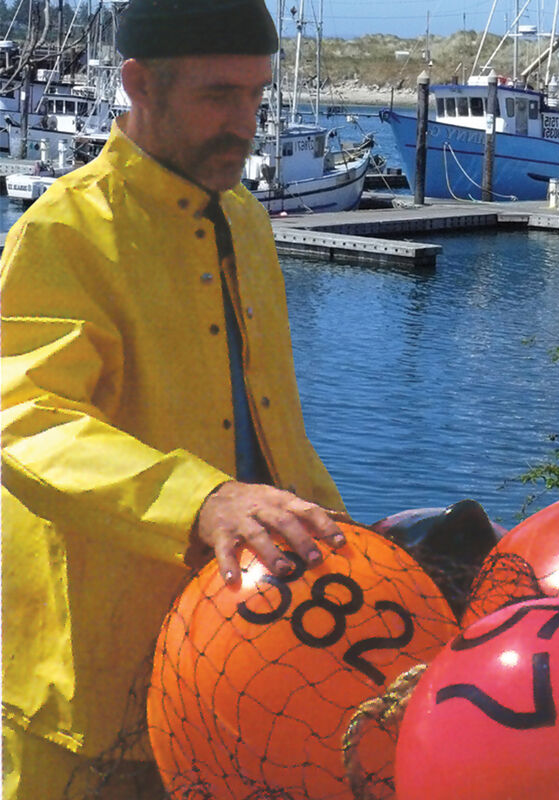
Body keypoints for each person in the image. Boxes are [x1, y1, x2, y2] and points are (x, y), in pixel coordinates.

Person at [1, 1, 350, 796]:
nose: (245, 125)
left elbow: (273, 430)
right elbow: (25, 421)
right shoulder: (64, 231)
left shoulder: (247, 220)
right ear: (139, 85)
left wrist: (339, 532)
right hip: (91, 697)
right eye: (218, 96)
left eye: (257, 96)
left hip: (246, 677)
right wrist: (200, 502)